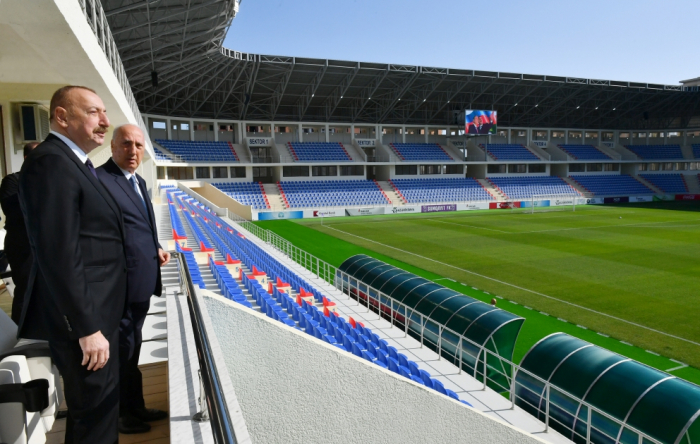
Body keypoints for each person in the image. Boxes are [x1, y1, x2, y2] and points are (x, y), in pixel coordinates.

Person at [18, 85, 127, 444]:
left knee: (100, 413)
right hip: (85, 324)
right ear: (62, 117)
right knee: (92, 418)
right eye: (94, 112)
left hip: (98, 316)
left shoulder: (75, 163)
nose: (105, 122)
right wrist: (86, 327)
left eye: (105, 113)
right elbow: (57, 252)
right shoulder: (51, 162)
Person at [96, 124, 170, 434]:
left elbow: (137, 227)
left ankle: (135, 404)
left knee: (132, 347)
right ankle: (121, 414)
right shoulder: (101, 180)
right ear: (112, 146)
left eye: (139, 145)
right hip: (120, 287)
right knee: (121, 353)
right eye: (126, 144)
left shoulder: (138, 180)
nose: (133, 151)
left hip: (141, 283)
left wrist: (156, 247)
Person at [0, 141, 39, 323]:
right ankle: (21, 333)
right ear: (26, 158)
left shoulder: (48, 182)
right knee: (26, 290)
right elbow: (16, 214)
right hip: (23, 247)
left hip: (44, 245)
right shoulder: (12, 181)